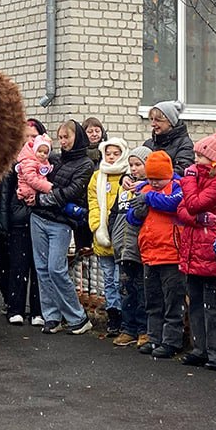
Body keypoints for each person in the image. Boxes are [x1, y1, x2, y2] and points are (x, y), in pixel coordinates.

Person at [176, 129, 216, 371]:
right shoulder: (198, 177)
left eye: (200, 156)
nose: (195, 161)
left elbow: (194, 203)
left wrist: (187, 180)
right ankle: (199, 348)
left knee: (214, 307)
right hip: (192, 249)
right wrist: (198, 219)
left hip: (210, 252)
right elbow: (181, 210)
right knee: (196, 304)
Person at [30, 119, 94, 335]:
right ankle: (52, 317)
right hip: (38, 219)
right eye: (61, 137)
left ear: (78, 138)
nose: (63, 141)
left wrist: (41, 199)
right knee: (42, 269)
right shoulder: (53, 159)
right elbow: (34, 178)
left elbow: (72, 192)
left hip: (60, 223)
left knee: (56, 269)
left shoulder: (85, 164)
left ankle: (78, 317)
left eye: (67, 137)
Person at [131, 148, 185, 358]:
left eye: (158, 179)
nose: (154, 183)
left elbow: (173, 204)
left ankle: (171, 341)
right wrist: (137, 212)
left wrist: (149, 198)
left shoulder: (177, 187)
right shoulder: (144, 190)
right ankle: (154, 338)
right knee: (153, 301)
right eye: (151, 178)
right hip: (150, 254)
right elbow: (132, 218)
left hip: (172, 254)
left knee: (173, 301)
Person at [0, 119, 44, 326]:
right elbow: (4, 194)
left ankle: (38, 310)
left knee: (38, 267)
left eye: (33, 136)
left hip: (40, 218)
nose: (29, 141)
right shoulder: (13, 163)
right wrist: (4, 220)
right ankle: (15, 308)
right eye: (25, 137)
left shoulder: (46, 162)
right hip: (19, 220)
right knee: (17, 265)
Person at [88, 137, 128, 336]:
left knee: (119, 279)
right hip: (102, 234)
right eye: (108, 153)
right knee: (108, 279)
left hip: (121, 236)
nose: (111, 157)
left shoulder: (128, 175)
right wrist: (97, 226)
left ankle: (124, 316)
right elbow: (93, 201)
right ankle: (113, 315)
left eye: (116, 153)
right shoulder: (98, 176)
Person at [111, 146, 151, 347]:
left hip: (140, 248)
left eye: (138, 165)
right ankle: (128, 328)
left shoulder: (148, 190)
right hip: (123, 248)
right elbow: (115, 214)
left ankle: (144, 330)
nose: (134, 169)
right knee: (125, 289)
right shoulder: (124, 188)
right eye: (131, 165)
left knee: (142, 290)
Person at [144, 100, 194, 172]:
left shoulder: (184, 144)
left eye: (157, 120)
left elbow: (182, 170)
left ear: (170, 121)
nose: (153, 124)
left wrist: (152, 178)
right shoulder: (148, 144)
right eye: (151, 119)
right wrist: (128, 178)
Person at [15, 135, 53, 202]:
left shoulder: (42, 162)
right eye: (40, 151)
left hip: (37, 189)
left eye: (45, 153)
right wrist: (48, 187)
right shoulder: (29, 162)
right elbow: (32, 179)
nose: (42, 154)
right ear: (35, 150)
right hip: (28, 191)